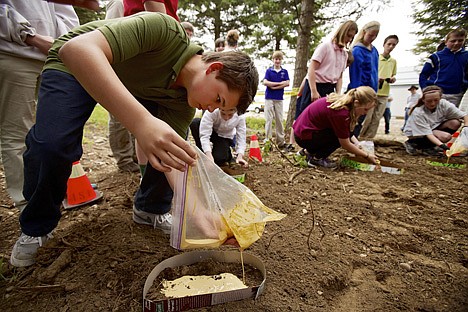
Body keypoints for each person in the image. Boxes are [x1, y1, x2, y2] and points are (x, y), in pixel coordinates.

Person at [9, 12, 258, 267]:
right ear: (214, 69)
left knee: (173, 145)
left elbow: (170, 160)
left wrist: (199, 215)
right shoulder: (164, 31)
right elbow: (77, 49)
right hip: (74, 65)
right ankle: (36, 227)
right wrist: (142, 123)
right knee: (53, 145)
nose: (212, 109)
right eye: (218, 99)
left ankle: (151, 208)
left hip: (127, 83)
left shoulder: (183, 105)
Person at [0, 1, 78, 212]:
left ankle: (54, 191)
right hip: (15, 54)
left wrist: (65, 44)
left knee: (57, 132)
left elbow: (65, 13)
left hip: (53, 58)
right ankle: (27, 201)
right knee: (17, 132)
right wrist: (30, 36)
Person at [293, 86, 379, 168]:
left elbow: (348, 132)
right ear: (356, 103)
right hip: (304, 136)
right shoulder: (342, 113)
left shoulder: (342, 102)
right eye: (365, 109)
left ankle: (306, 152)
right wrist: (366, 156)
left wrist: (357, 144)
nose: (366, 113)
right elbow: (345, 144)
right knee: (339, 138)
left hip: (303, 132)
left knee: (342, 133)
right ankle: (317, 159)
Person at [105, 0, 140, 173]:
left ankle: (134, 154)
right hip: (119, 67)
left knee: (136, 112)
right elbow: (110, 32)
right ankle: (123, 158)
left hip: (136, 69)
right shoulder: (119, 3)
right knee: (119, 116)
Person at [298, 20, 358, 115]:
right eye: (348, 35)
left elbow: (340, 76)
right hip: (315, 85)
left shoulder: (344, 55)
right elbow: (312, 69)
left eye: (352, 37)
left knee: (324, 119)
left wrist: (338, 94)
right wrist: (314, 91)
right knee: (305, 117)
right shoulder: (325, 47)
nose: (349, 39)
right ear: (342, 32)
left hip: (330, 89)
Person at [403, 86, 468, 156]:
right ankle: (413, 143)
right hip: (417, 134)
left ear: (440, 98)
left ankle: (430, 146)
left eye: (436, 100)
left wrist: (466, 127)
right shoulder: (418, 112)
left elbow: (463, 115)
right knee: (446, 137)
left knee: (455, 123)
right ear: (423, 100)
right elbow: (428, 134)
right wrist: (443, 146)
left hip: (432, 128)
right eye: (429, 101)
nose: (432, 103)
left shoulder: (444, 104)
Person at [360, 34, 399, 138]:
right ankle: (359, 137)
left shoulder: (393, 61)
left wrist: (392, 78)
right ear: (384, 44)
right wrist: (376, 78)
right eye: (389, 44)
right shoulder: (376, 57)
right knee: (367, 117)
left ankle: (369, 139)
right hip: (373, 91)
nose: (390, 47)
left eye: (393, 45)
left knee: (377, 118)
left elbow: (393, 74)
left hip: (384, 92)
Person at [419, 28, 468, 108]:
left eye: (460, 41)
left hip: (457, 94)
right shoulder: (435, 57)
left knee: (453, 119)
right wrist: (425, 90)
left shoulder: (466, 56)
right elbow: (423, 75)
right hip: (437, 93)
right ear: (446, 42)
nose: (456, 43)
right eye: (453, 41)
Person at [347, 21, 380, 137]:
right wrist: (358, 92)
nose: (373, 38)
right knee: (354, 118)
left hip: (371, 91)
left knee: (362, 119)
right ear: (364, 32)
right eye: (371, 35)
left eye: (376, 35)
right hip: (360, 92)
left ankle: (354, 141)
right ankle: (349, 141)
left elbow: (375, 70)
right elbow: (356, 73)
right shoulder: (357, 50)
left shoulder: (374, 50)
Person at [263, 50, 290, 148]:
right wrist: (279, 84)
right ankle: (268, 141)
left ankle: (281, 142)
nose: (277, 61)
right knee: (268, 119)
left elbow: (287, 83)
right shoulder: (269, 71)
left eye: (279, 59)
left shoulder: (284, 71)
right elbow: (265, 82)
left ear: (281, 60)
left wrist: (274, 86)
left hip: (279, 98)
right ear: (273, 60)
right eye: (275, 59)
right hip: (269, 98)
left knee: (279, 119)